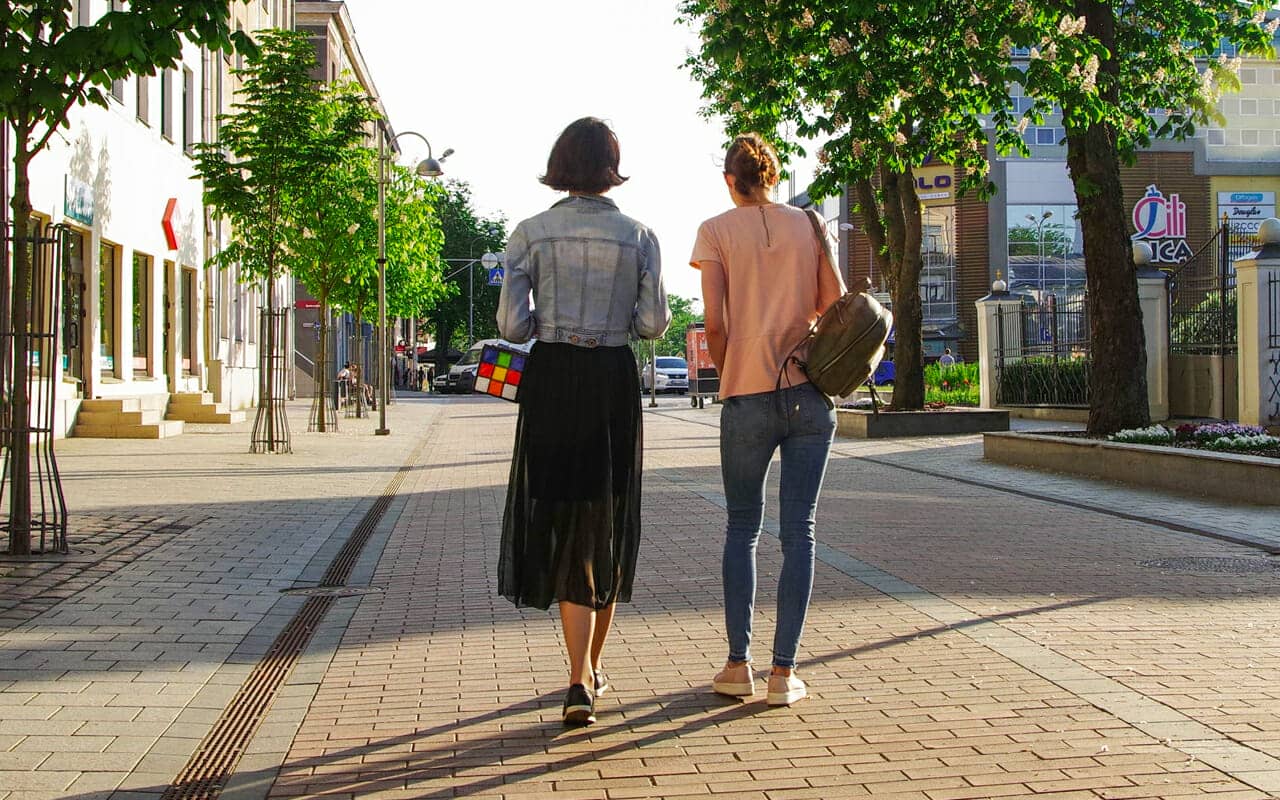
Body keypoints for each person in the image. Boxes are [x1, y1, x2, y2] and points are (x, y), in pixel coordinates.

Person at [497, 117, 670, 726]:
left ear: (561, 165)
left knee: (564, 513)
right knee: (608, 516)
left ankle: (577, 677)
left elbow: (513, 329)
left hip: (553, 381)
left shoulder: (529, 233)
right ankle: (589, 671)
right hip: (609, 382)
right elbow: (652, 325)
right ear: (610, 167)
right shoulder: (640, 235)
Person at [690, 133, 845, 707]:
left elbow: (716, 323)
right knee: (799, 531)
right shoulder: (809, 224)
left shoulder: (714, 231)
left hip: (748, 394)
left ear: (730, 179)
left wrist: (735, 376)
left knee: (741, 529)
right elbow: (835, 303)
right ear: (773, 176)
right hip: (809, 392)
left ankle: (738, 666)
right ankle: (785, 674)